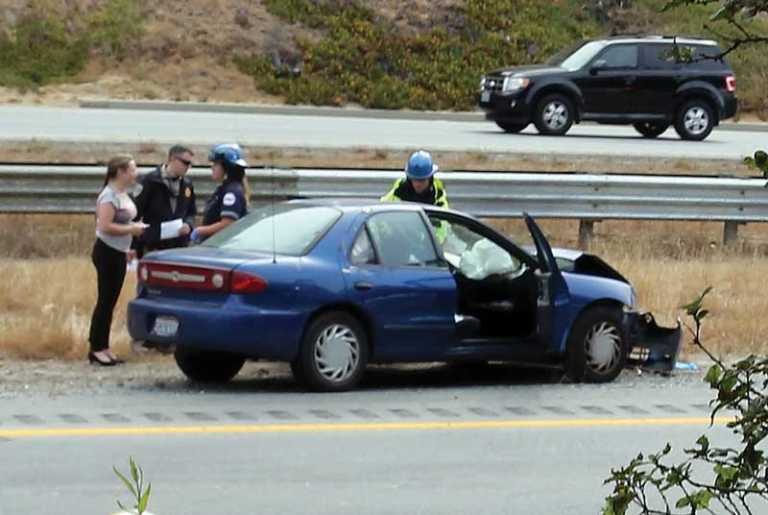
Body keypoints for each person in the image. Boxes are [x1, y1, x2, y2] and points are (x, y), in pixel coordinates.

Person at [88, 155, 146, 366]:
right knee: (104, 300)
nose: (135, 173)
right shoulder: (108, 196)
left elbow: (123, 221)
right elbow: (104, 226)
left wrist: (129, 243)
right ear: (120, 172)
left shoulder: (122, 194)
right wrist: (131, 229)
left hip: (119, 251)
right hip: (106, 252)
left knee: (110, 301)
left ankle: (104, 346)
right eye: (132, 169)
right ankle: (96, 348)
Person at [132, 145, 197, 258]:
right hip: (154, 244)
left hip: (179, 245)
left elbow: (191, 212)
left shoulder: (187, 184)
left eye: (190, 164)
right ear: (172, 159)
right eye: (185, 163)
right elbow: (135, 214)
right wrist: (133, 246)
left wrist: (188, 224)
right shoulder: (149, 181)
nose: (188, 167)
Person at [190, 144, 250, 243]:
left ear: (226, 167)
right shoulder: (225, 189)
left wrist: (200, 231)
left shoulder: (232, 192)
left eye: (216, 164)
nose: (212, 167)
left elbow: (228, 224)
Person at [381, 150, 449, 208]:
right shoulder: (399, 191)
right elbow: (382, 208)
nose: (418, 184)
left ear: (430, 179)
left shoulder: (438, 194)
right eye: (414, 179)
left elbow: (445, 219)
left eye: (422, 180)